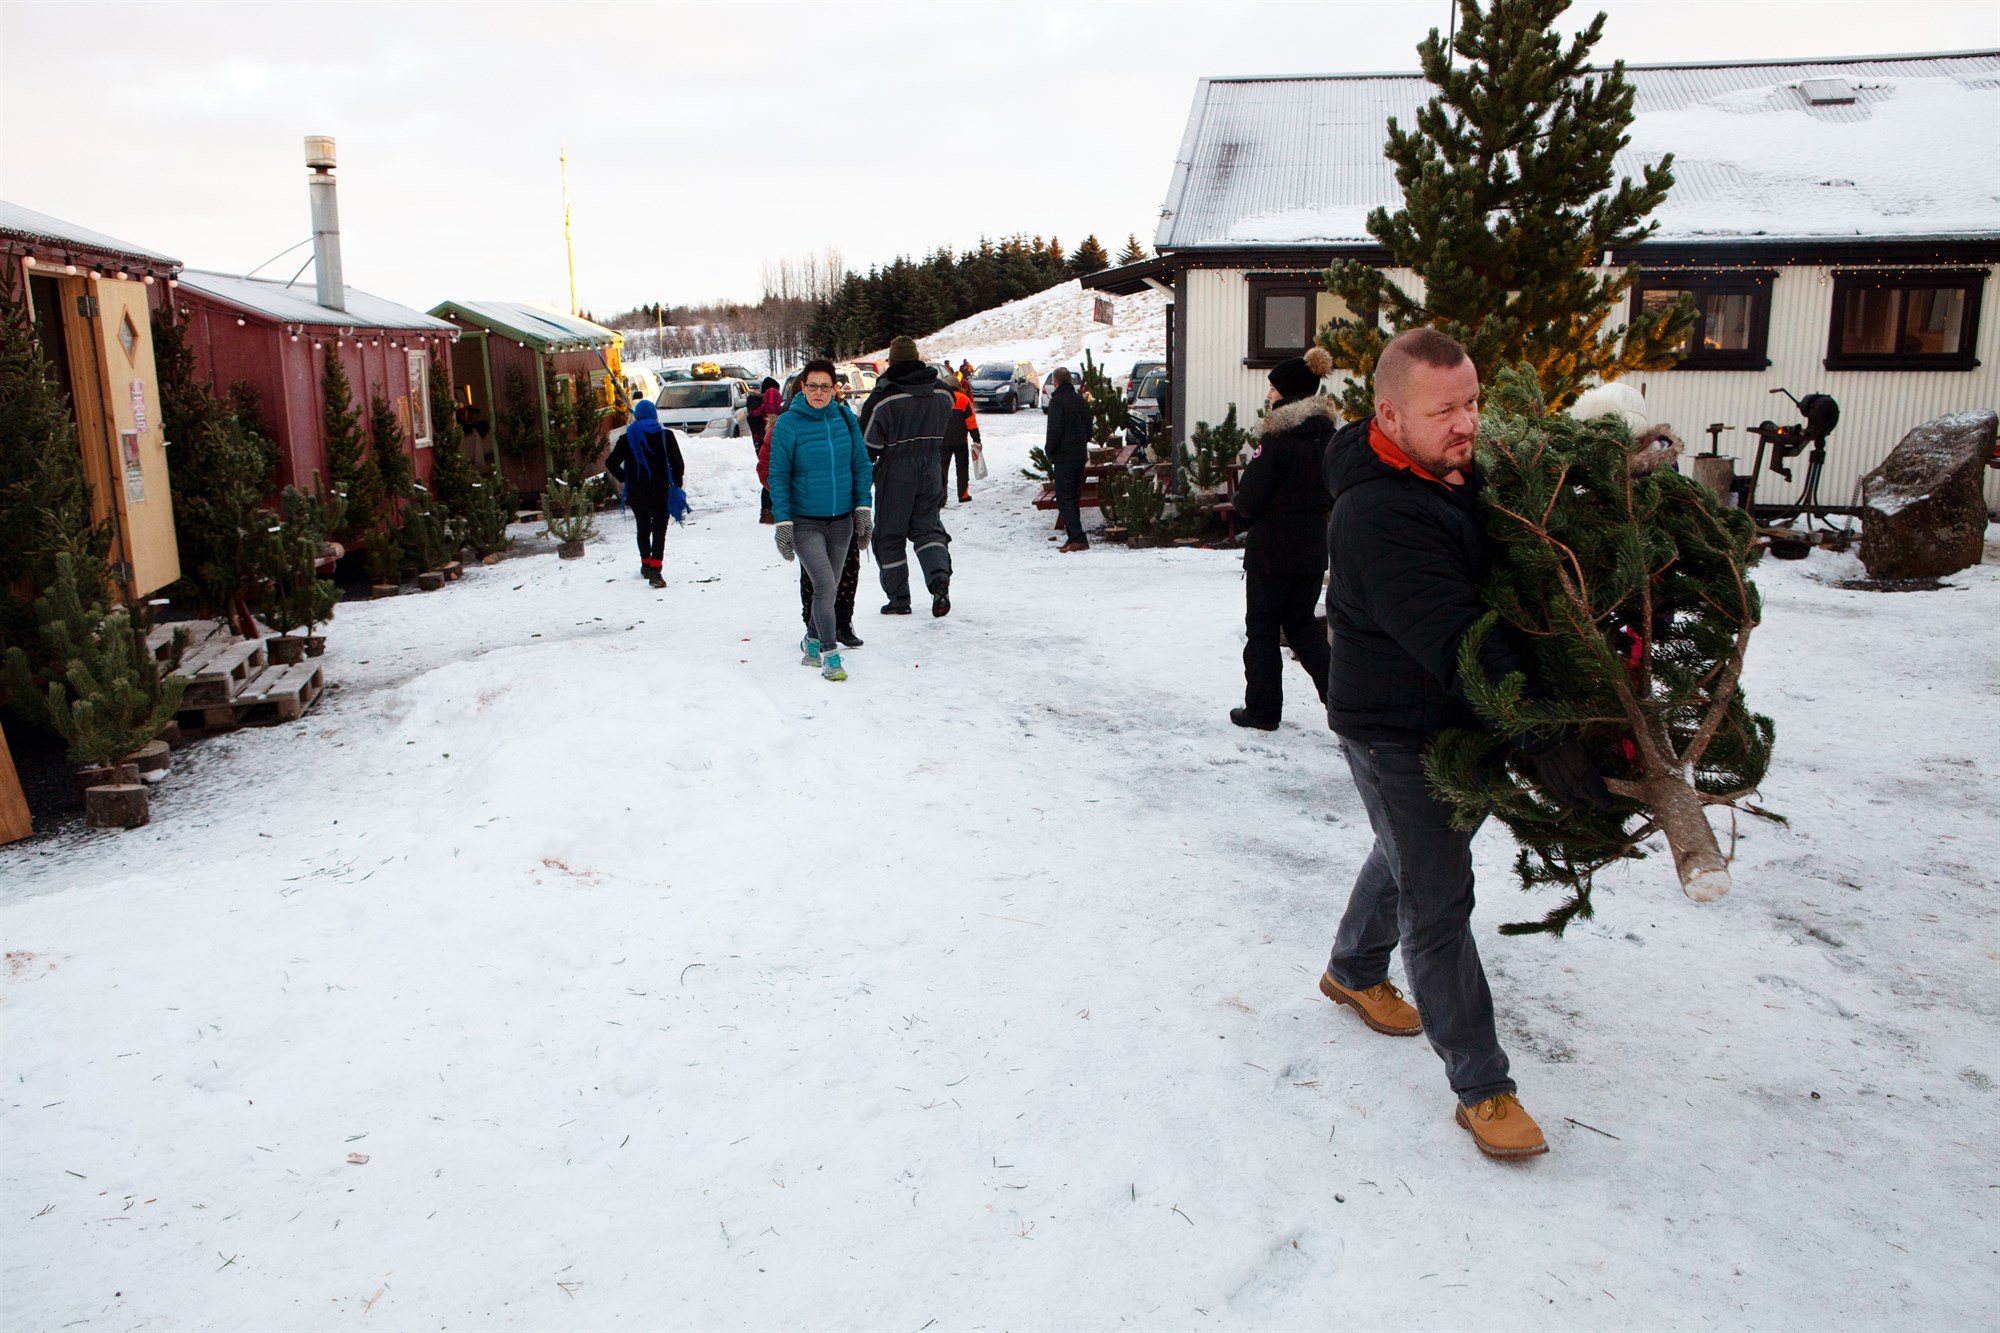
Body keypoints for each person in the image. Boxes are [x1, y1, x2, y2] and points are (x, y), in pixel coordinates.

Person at [1316, 327, 1610, 1161]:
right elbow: (1456, 637)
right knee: (1437, 897)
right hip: (1395, 730)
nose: (1467, 423)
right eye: (1444, 409)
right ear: (1389, 413)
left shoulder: (1442, 472)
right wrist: (1537, 728)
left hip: (1452, 716)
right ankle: (1483, 1087)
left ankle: (1351, 966)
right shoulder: (1379, 514)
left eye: (1472, 402)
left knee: (1410, 851)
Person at [1231, 345, 1335, 729]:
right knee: (1302, 625)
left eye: (1273, 388)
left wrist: (1242, 506)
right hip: (1312, 542)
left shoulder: (1277, 436)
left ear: (1288, 393)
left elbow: (1251, 497)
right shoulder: (1329, 436)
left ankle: (1262, 709)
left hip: (1272, 547)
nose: (1269, 394)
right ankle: (1342, 703)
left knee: (1261, 626)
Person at [769, 360, 873, 681]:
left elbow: (861, 465)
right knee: (825, 584)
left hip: (841, 520)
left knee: (827, 588)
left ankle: (811, 640)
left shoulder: (844, 418)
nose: (818, 392)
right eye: (812, 386)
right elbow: (779, 475)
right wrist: (783, 522)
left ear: (834, 389)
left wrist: (862, 508)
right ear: (803, 387)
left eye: (825, 386)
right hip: (805, 522)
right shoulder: (788, 424)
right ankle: (830, 655)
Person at [858, 336, 956, 617]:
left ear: (892, 361)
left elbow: (867, 445)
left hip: (896, 469)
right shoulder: (941, 392)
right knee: (928, 528)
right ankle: (939, 580)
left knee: (889, 535)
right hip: (931, 467)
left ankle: (899, 599)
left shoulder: (884, 397)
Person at [603, 399, 685, 588]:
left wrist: (625, 478)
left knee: (643, 527)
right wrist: (676, 484)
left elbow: (611, 463)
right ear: (654, 415)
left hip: (637, 492)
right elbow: (678, 464)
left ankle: (645, 564)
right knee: (659, 531)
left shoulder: (628, 437)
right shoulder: (666, 436)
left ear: (637, 416)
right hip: (661, 491)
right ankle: (656, 571)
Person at [1042, 367, 1092, 552]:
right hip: (1079, 455)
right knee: (1073, 498)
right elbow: (1089, 429)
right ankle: (1073, 537)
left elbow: (1054, 430)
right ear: (1070, 381)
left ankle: (1078, 538)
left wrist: (1050, 450)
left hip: (1064, 457)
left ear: (1055, 382)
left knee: (1065, 499)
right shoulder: (1079, 400)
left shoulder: (1057, 402)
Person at [941, 381, 981, 504]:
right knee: (962, 468)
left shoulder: (940, 399)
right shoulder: (964, 399)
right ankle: (963, 495)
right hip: (960, 441)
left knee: (941, 470)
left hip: (942, 442)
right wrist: (976, 439)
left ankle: (941, 498)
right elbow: (971, 421)